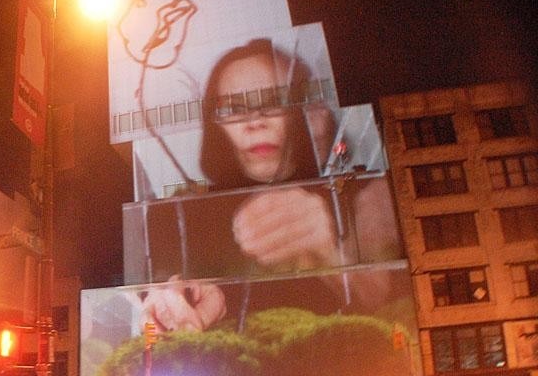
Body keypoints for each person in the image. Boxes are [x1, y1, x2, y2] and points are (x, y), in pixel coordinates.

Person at [141, 38, 399, 331]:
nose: (254, 121)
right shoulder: (182, 212)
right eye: (233, 108)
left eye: (273, 103)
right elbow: (162, 286)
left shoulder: (363, 192)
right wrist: (173, 301)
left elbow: (388, 299)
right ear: (215, 123)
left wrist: (325, 250)